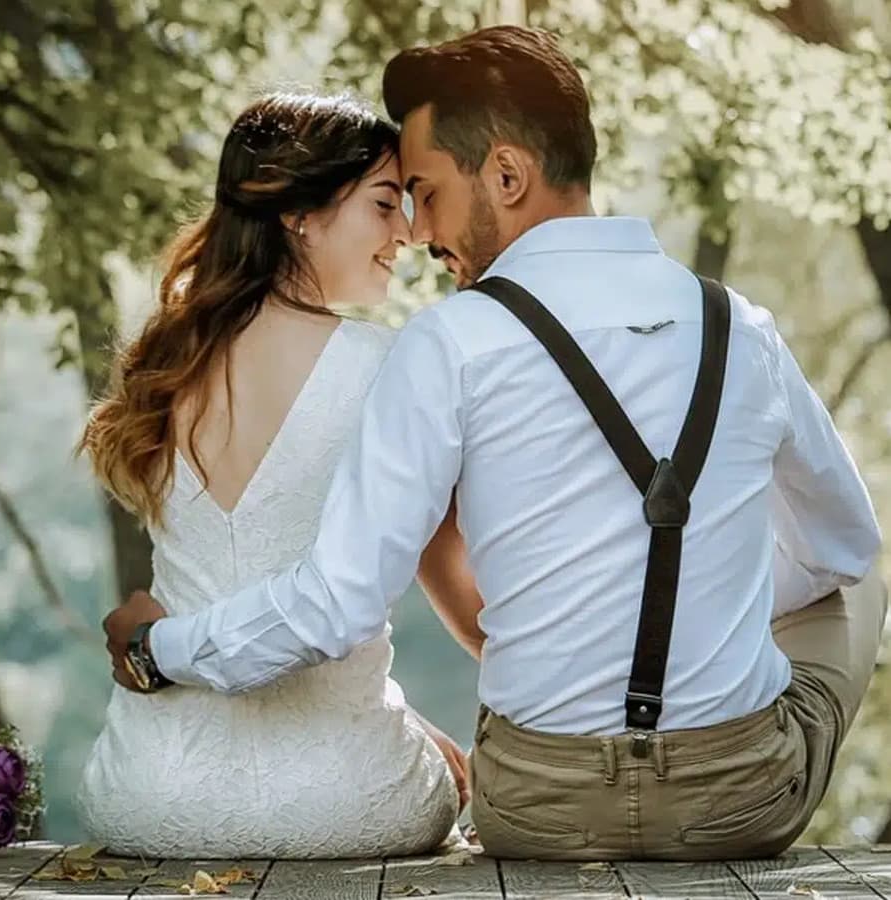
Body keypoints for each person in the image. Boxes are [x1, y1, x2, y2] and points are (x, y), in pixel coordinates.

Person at [105, 27, 886, 860]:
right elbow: (842, 545)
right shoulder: (744, 329)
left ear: (506, 175)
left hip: (535, 807)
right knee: (855, 577)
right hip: (739, 802)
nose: (418, 230)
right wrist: (707, 607)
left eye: (426, 192)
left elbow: (339, 600)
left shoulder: (446, 344)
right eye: (396, 199)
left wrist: (160, 647)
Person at [77, 91, 470, 858]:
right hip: (348, 802)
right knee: (452, 783)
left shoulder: (163, 365)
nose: (409, 232)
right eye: (385, 204)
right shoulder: (391, 366)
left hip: (148, 795)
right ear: (298, 212)